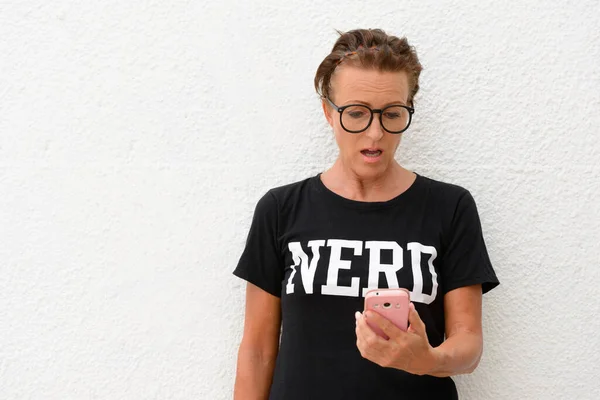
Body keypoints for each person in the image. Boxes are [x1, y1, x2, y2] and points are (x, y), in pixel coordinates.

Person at [232, 28, 499, 400]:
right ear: (328, 112)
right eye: (356, 113)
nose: (374, 133)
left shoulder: (450, 207)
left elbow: (468, 346)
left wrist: (426, 359)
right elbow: (258, 350)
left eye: (392, 113)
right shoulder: (281, 209)